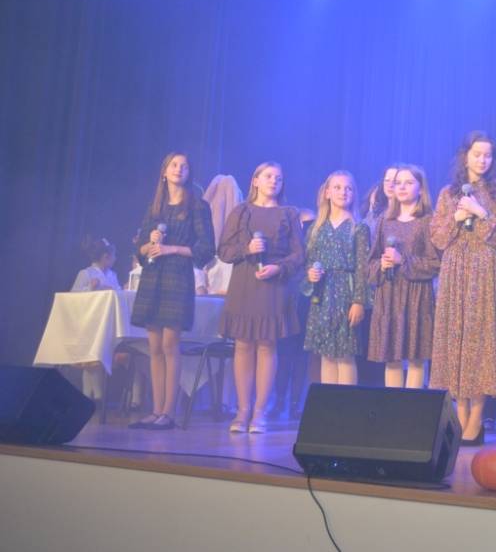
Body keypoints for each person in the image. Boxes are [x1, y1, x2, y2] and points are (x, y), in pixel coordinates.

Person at [429, 132, 496, 445]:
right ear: (465, 156)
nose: (482, 160)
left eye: (488, 155)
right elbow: (438, 238)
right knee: (456, 339)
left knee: (479, 341)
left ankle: (476, 420)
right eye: (477, 154)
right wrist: (457, 216)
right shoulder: (448, 192)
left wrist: (481, 213)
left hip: (483, 268)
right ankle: (459, 415)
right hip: (454, 268)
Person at [130, 153, 215, 431]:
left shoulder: (197, 206)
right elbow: (140, 249)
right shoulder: (155, 207)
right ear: (164, 172)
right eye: (174, 165)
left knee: (169, 344)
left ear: (190, 173)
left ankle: (169, 412)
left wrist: (171, 249)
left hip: (178, 278)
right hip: (153, 277)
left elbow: (206, 249)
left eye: (184, 166)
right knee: (154, 346)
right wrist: (150, 243)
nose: (179, 169)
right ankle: (156, 410)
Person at [218, 162, 305, 433]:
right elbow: (224, 250)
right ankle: (242, 411)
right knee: (243, 344)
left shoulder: (289, 213)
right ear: (255, 180)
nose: (274, 181)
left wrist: (279, 268)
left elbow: (299, 255)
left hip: (273, 284)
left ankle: (260, 412)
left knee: (267, 345)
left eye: (278, 177)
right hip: (245, 282)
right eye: (268, 176)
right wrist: (247, 248)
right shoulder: (241, 211)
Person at [368, 165, 440, 389]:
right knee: (391, 357)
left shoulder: (427, 221)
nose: (401, 187)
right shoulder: (384, 221)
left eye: (408, 183)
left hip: (417, 297)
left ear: (421, 188)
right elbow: (369, 263)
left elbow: (436, 263)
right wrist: (381, 264)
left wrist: (404, 261)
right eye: (398, 183)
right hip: (389, 295)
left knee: (416, 357)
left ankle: (412, 407)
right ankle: (394, 407)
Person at [302, 172, 370, 386]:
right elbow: (308, 261)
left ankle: (345, 404)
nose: (343, 192)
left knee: (345, 355)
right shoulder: (317, 228)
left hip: (345, 294)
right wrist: (310, 274)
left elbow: (363, 268)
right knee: (326, 354)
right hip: (322, 296)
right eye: (338, 187)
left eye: (348, 188)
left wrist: (358, 301)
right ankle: (329, 403)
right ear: (327, 192)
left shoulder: (358, 228)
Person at [72, 237, 122, 402]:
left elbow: (118, 294)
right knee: (90, 359)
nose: (115, 259)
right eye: (113, 256)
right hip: (90, 322)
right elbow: (73, 297)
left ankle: (92, 396)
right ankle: (92, 396)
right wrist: (90, 288)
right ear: (105, 257)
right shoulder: (86, 273)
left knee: (98, 358)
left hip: (107, 322)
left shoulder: (112, 275)